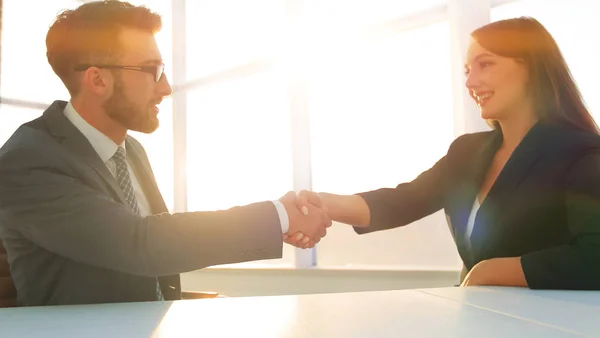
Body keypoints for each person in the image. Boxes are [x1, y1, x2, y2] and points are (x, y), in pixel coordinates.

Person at [0, 1, 328, 306]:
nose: (166, 87)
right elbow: (140, 245)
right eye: (151, 70)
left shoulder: (131, 151)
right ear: (97, 80)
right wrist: (279, 216)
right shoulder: (26, 161)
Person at [286, 17, 600, 290]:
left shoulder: (581, 152)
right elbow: (402, 201)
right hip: (482, 318)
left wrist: (492, 271)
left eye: (485, 64)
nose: (470, 81)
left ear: (531, 66)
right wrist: (321, 203)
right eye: (467, 70)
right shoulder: (467, 152)